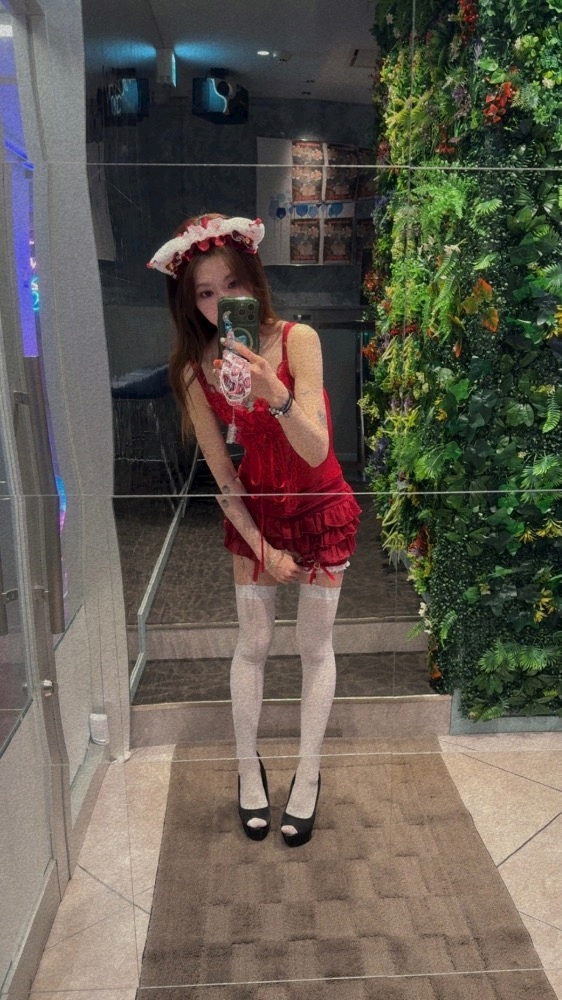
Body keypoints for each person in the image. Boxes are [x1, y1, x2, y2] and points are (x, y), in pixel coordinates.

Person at [148, 213, 361, 847]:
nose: (220, 303)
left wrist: (274, 393)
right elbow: (223, 476)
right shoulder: (197, 369)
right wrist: (264, 547)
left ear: (254, 282)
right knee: (255, 642)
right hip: (257, 514)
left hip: (319, 504)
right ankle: (248, 769)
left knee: (314, 646)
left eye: (231, 285)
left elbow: (318, 449)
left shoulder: (299, 341)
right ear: (190, 302)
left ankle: (309, 773)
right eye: (204, 293)